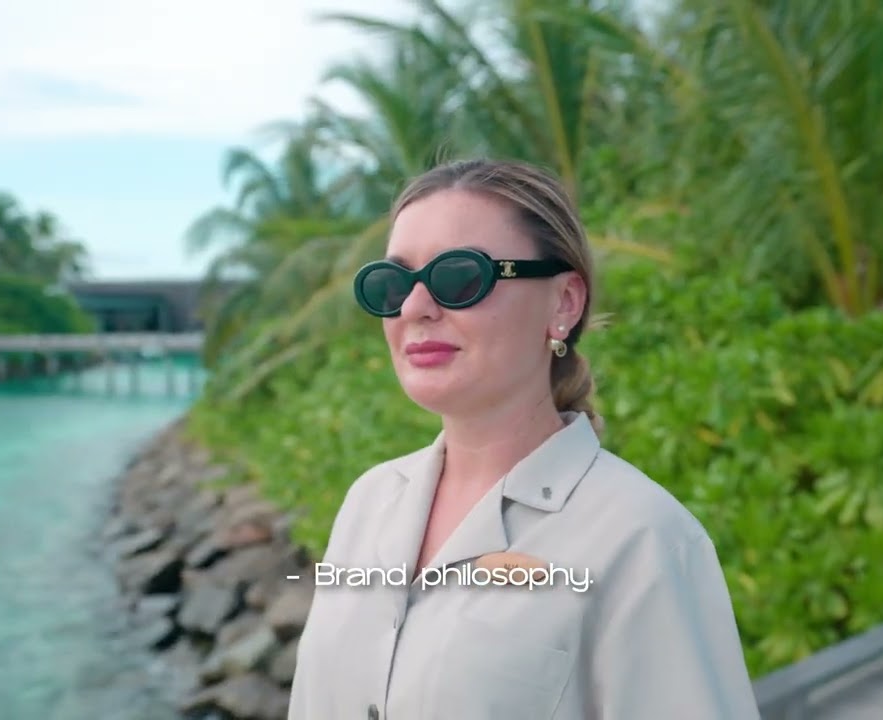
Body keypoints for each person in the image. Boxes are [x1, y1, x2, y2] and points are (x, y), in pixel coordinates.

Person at [287, 158, 760, 720]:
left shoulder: (643, 539)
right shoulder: (371, 501)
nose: (414, 307)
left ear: (564, 303)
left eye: (459, 277)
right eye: (393, 284)